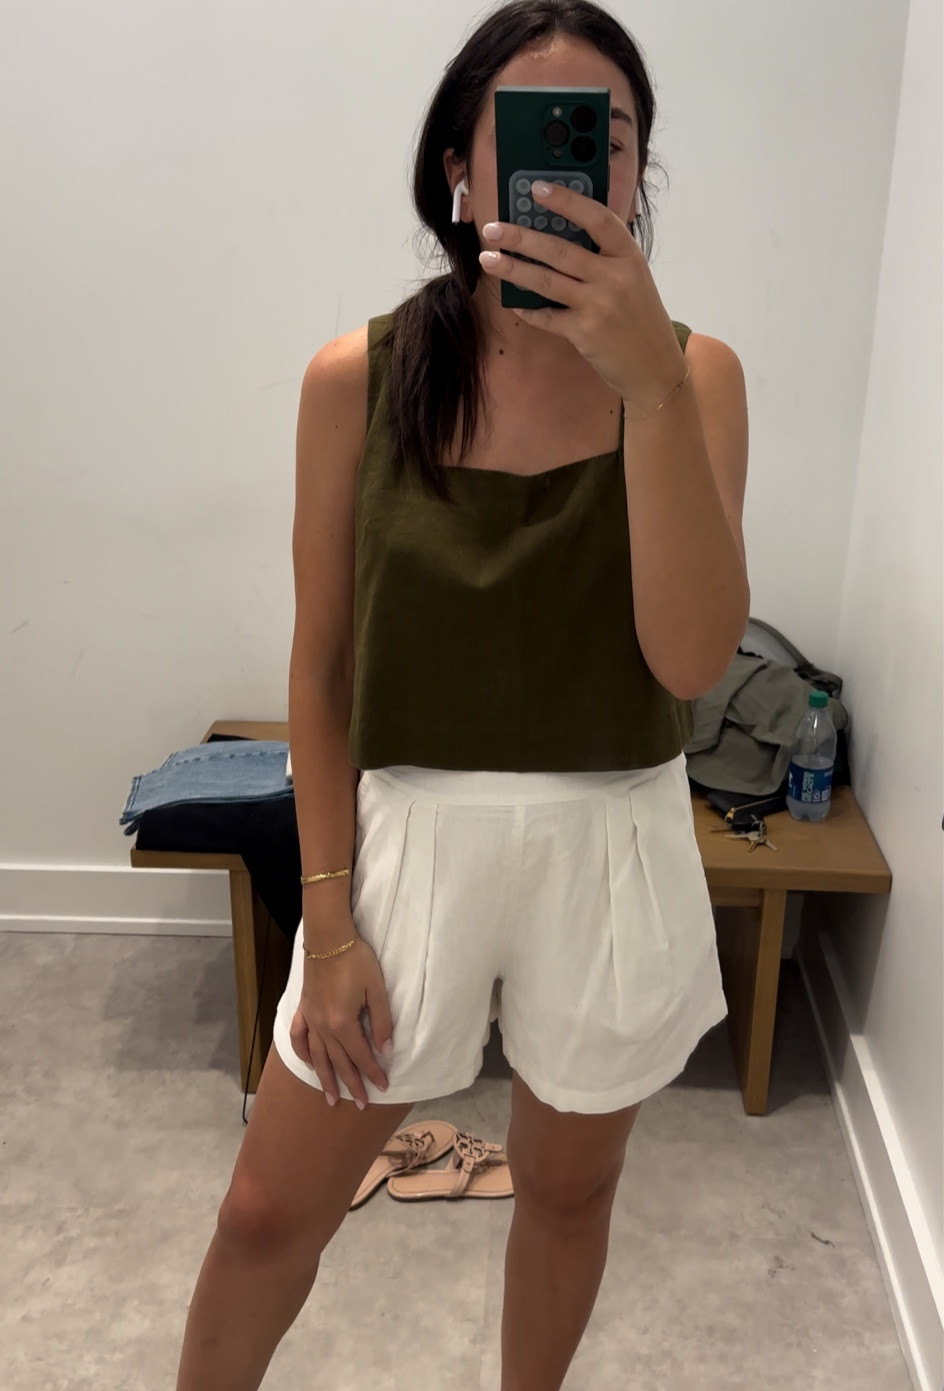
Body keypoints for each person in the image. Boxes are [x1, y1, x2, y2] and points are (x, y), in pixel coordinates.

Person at [175, 1, 750, 1386]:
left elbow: (689, 664)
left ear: (636, 172)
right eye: (537, 132)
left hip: (614, 839)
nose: (577, 162)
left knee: (566, 1197)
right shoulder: (359, 379)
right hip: (408, 844)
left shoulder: (698, 377)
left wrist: (653, 392)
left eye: (609, 137)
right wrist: (326, 921)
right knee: (265, 1213)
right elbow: (322, 668)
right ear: (458, 169)